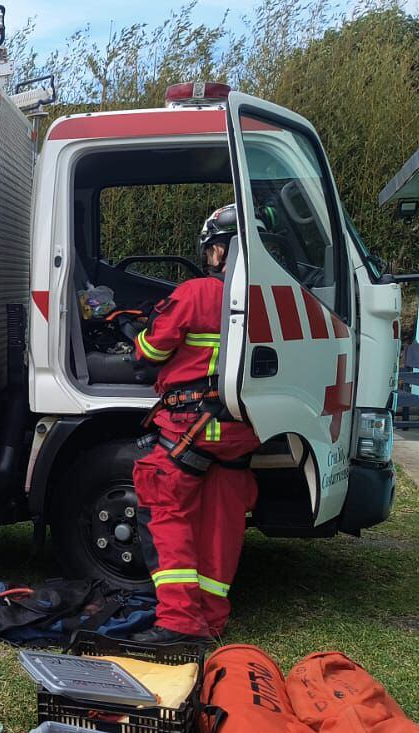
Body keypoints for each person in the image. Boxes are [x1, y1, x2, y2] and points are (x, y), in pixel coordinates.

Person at [128, 204, 262, 645]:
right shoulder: (276, 299)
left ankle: (180, 624)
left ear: (221, 251)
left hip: (193, 426)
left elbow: (150, 352)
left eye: (212, 251)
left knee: (164, 507)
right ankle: (211, 619)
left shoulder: (197, 293)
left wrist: (136, 336)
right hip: (242, 431)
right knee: (222, 522)